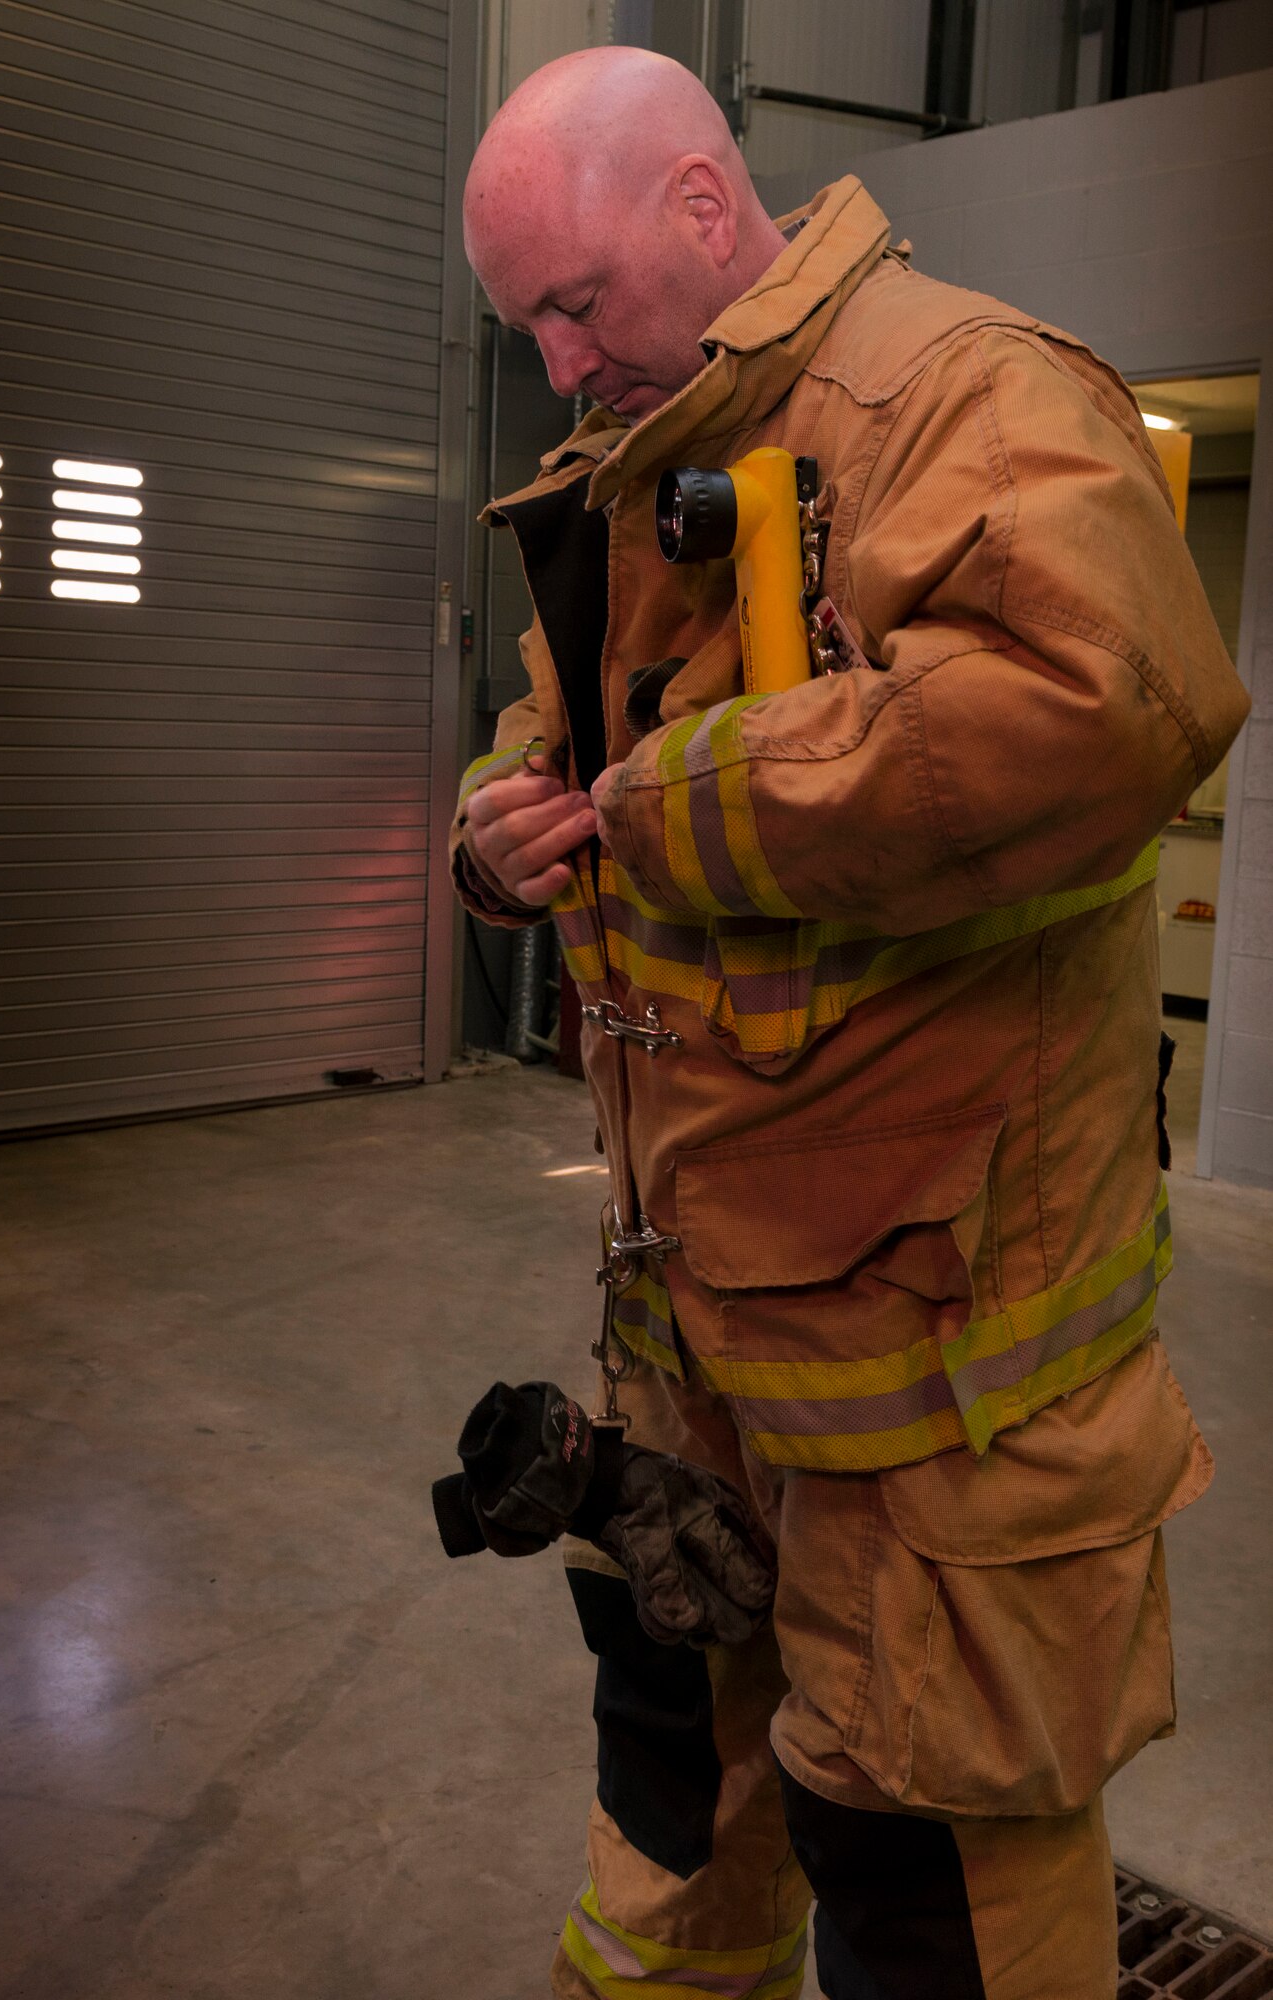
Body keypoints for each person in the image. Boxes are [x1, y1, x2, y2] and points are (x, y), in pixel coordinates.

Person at [449, 45, 1249, 2000]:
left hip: (935, 1384)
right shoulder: (636, 460)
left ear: (704, 213)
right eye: (527, 326)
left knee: (931, 1870)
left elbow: (1106, 714)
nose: (556, 366)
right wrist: (500, 837)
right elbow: (557, 744)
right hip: (684, 1338)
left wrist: (675, 808)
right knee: (676, 1801)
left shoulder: (971, 394)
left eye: (570, 306)